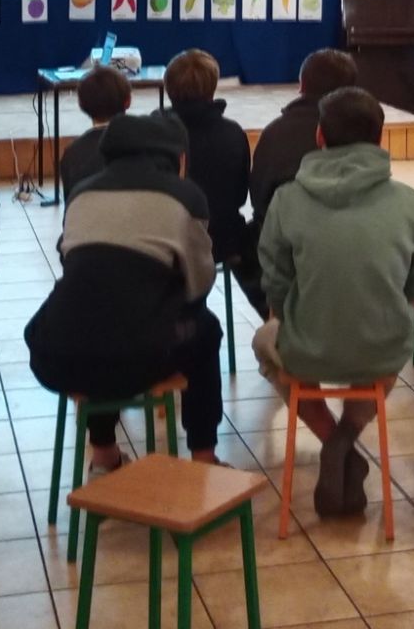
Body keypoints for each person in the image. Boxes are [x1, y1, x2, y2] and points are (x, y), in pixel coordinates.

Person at [256, 87, 414, 515]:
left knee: (264, 342)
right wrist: (398, 315)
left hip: (305, 350)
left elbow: (275, 281)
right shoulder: (409, 202)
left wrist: (290, 319)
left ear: (319, 136)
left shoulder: (287, 199)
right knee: (388, 343)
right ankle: (347, 438)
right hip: (383, 346)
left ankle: (331, 438)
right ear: (380, 138)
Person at [25, 112, 228, 470]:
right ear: (178, 158)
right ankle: (204, 456)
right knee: (205, 329)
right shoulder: (185, 196)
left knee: (98, 315)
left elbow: (72, 264)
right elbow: (199, 284)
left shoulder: (83, 193)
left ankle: (104, 452)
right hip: (138, 361)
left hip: (53, 358)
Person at [247, 48, 359, 313]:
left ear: (302, 86)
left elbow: (258, 200)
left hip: (285, 251)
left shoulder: (275, 132)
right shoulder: (360, 131)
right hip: (350, 249)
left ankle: (277, 315)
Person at [165, 48, 253, 267]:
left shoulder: (153, 133)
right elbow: (241, 195)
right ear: (212, 88)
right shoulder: (233, 133)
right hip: (222, 239)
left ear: (168, 88)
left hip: (166, 240)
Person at [61, 64, 131, 196]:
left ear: (81, 105)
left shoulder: (72, 154)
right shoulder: (147, 144)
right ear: (128, 101)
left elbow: (71, 203)